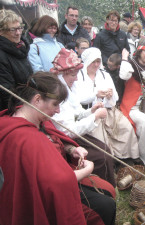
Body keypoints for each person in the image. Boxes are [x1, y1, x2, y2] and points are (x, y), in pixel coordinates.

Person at [0, 72, 116, 225]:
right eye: (55, 105)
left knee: (107, 188)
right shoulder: (25, 138)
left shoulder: (34, 117)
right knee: (105, 206)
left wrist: (71, 150)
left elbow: (53, 139)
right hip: (44, 198)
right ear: (37, 100)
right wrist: (88, 170)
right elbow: (57, 182)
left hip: (61, 176)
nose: (58, 111)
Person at [50, 48, 116, 186]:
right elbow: (67, 131)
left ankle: (107, 187)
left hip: (73, 134)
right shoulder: (57, 95)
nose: (76, 78)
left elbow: (77, 113)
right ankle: (98, 188)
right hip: (65, 140)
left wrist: (91, 111)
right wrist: (95, 116)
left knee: (105, 150)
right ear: (62, 74)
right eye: (73, 75)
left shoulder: (66, 88)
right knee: (101, 156)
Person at [73, 47, 140, 162]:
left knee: (126, 128)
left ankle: (126, 156)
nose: (96, 64)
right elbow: (78, 99)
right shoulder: (78, 76)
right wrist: (95, 94)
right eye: (93, 61)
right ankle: (111, 159)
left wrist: (110, 95)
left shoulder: (105, 75)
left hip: (108, 110)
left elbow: (116, 97)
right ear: (87, 61)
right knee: (100, 137)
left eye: (98, 61)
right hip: (90, 113)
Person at [0, 9, 33, 111]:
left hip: (27, 102)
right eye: (13, 30)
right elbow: (7, 93)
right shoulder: (2, 55)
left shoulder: (20, 48)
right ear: (1, 31)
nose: (18, 33)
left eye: (20, 28)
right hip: (13, 109)